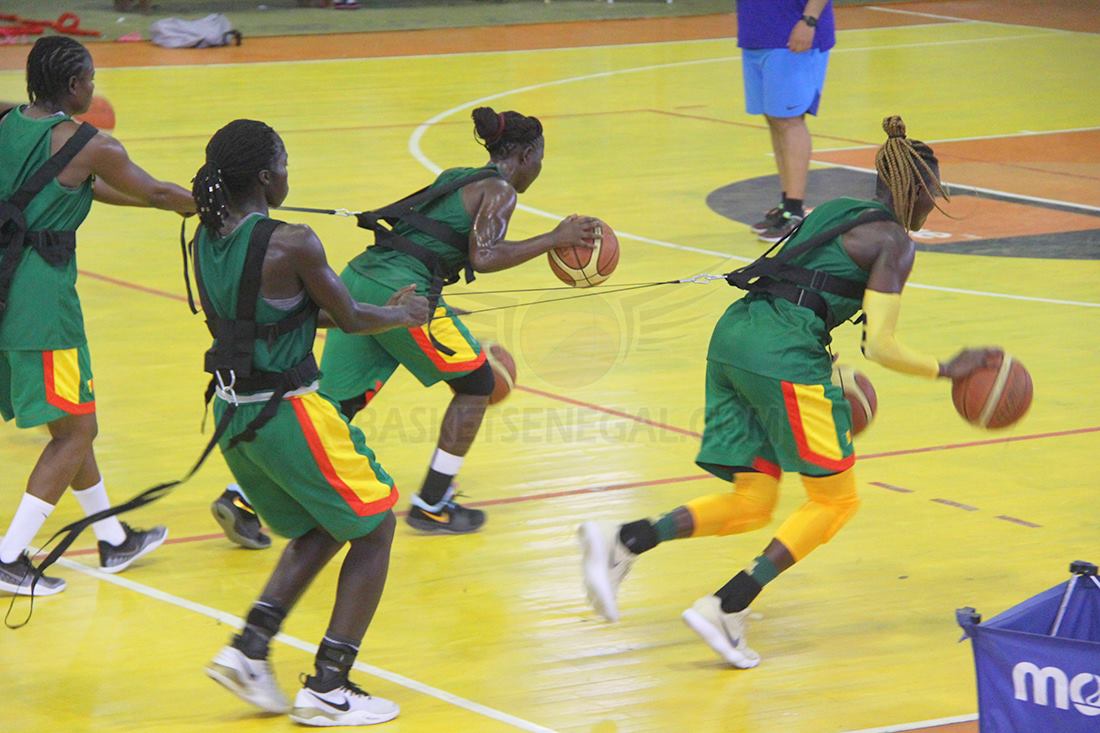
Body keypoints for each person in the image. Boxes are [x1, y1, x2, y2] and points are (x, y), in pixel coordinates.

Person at [578, 116, 1003, 668]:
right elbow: (882, 346)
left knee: (752, 502)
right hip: (782, 356)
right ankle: (726, 606)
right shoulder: (895, 242)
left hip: (734, 338)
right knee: (836, 500)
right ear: (918, 192)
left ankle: (624, 540)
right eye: (933, 197)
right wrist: (951, 367)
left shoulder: (834, 210)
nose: (930, 208)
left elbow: (802, 285)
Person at [190, 119, 429, 725]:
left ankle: (250, 648)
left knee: (322, 527)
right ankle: (330, 684)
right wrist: (401, 313)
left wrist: (373, 311)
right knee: (374, 529)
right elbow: (347, 318)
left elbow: (269, 320)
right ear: (268, 176)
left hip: (233, 414)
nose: (291, 173)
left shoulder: (206, 239)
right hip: (288, 410)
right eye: (286, 162)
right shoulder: (292, 241)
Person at [312, 105, 598, 535]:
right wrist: (552, 239)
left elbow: (426, 237)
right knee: (477, 384)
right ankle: (432, 502)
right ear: (524, 155)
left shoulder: (457, 175)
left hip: (359, 277)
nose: (539, 166)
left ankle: (242, 496)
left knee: (332, 405)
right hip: (404, 292)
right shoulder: (501, 191)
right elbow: (483, 257)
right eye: (539, 157)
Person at [0, 37, 195, 596]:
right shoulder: (92, 142)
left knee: (69, 422)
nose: (93, 86)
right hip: (44, 305)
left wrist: (166, 204)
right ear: (73, 84)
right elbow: (156, 191)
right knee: (78, 429)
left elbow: (88, 187)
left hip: (6, 291)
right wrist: (210, 206)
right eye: (89, 78)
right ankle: (11, 556)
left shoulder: (11, 124)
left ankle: (112, 538)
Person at [738, 0, 834, 243]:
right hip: (757, 33)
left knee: (789, 120)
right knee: (776, 119)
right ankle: (786, 204)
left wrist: (809, 20)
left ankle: (795, 209)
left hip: (792, 34)